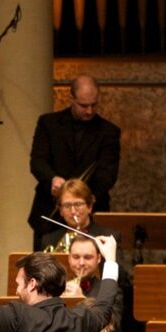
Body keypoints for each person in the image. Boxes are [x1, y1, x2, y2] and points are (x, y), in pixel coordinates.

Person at [28, 75, 121, 248]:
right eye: (83, 105)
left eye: (94, 105)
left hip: (90, 214)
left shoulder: (109, 131)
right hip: (50, 211)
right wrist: (52, 179)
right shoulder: (48, 123)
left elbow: (108, 174)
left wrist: (81, 199)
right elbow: (37, 162)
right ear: (71, 99)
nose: (89, 111)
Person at [38, 179, 122, 253]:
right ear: (61, 210)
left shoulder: (109, 238)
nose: (73, 211)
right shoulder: (49, 240)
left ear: (89, 207)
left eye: (78, 204)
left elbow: (121, 271)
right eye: (67, 205)